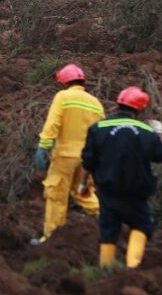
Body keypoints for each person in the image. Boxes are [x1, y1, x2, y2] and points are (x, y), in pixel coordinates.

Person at [82, 87, 162, 269]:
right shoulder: (146, 131)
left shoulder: (99, 128)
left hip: (107, 189)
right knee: (142, 225)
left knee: (108, 230)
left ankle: (106, 271)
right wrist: (159, 135)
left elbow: (88, 160)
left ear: (118, 104)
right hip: (136, 191)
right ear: (139, 109)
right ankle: (132, 267)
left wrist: (83, 184)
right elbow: (161, 156)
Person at [31, 64, 104, 246]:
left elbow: (53, 123)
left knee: (56, 194)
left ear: (64, 82)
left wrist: (43, 146)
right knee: (84, 192)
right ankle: (110, 221)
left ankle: (51, 237)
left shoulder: (63, 97)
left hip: (65, 155)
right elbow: (101, 134)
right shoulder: (95, 103)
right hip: (87, 158)